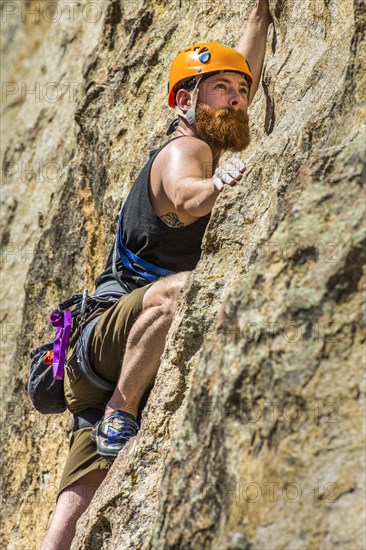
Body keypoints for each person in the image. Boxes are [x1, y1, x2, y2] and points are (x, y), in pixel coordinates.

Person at [41, 1, 273, 547]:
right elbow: (186, 199)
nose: (237, 97)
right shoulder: (186, 148)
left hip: (116, 354)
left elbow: (244, 70)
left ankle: (111, 422)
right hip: (116, 333)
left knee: (72, 512)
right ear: (184, 101)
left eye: (241, 89)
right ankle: (122, 411)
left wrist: (260, 19)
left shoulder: (213, 128)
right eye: (221, 89)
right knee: (183, 294)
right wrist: (218, 186)